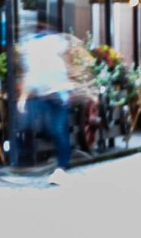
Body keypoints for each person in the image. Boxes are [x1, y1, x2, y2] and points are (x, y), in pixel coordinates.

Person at [12, 28, 86, 174]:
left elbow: (67, 64)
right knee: (43, 126)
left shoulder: (50, 47)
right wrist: (23, 97)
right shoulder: (35, 51)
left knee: (57, 130)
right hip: (46, 95)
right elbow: (29, 76)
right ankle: (51, 160)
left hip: (57, 95)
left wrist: (71, 86)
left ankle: (61, 165)